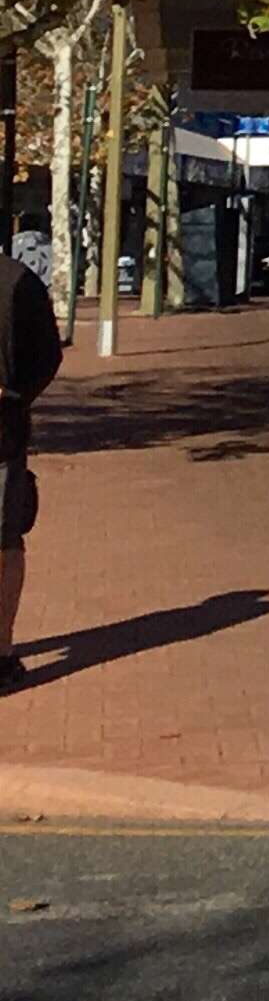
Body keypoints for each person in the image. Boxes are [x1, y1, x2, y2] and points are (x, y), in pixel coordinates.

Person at [0, 225, 61, 693]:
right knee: (4, 542)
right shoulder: (18, 279)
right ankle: (1, 652)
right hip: (3, 429)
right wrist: (17, 398)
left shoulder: (16, 281)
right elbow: (47, 357)